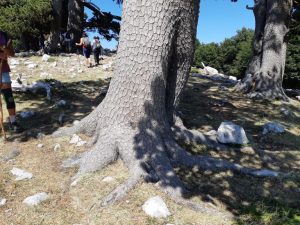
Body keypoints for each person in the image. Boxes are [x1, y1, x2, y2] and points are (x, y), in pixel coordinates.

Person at [0, 30, 21, 132]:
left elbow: (12, 53)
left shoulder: (4, 35)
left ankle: (13, 122)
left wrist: (5, 49)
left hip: (3, 70)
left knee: (9, 97)